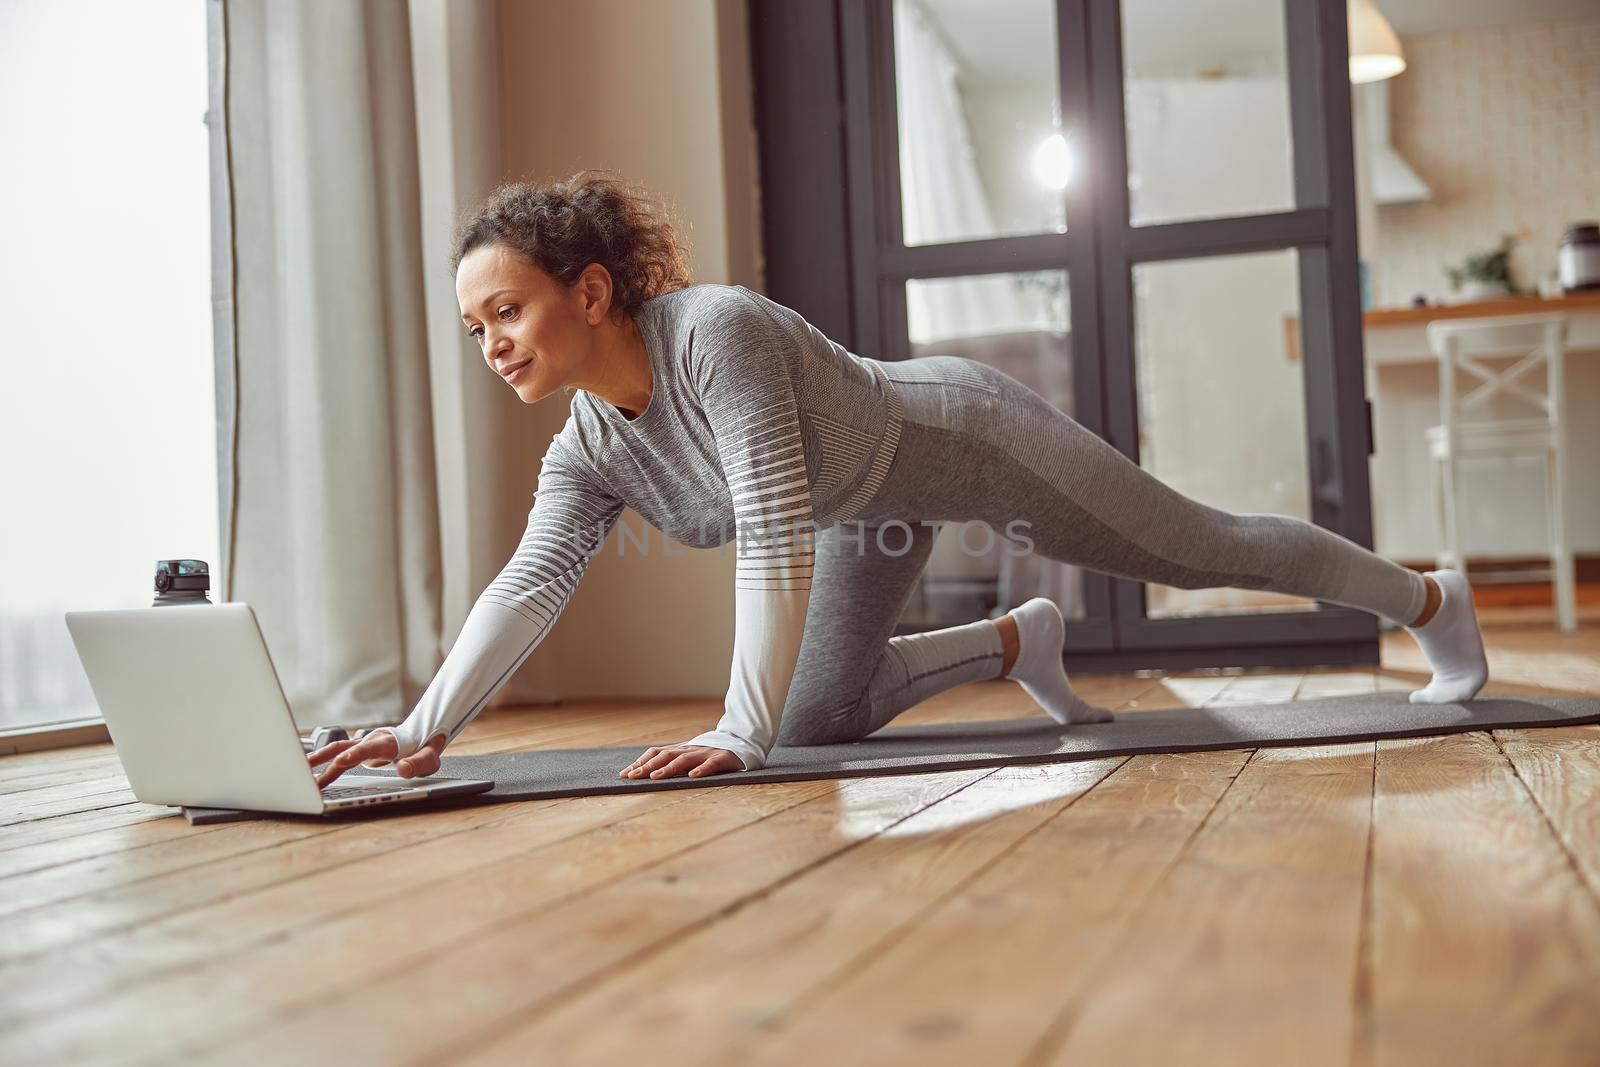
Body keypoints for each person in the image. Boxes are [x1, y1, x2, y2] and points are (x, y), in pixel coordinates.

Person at [309, 170, 1488, 788]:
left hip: (964, 437)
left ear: (593, 291)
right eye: (476, 330)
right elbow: (530, 581)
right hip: (869, 505)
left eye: (505, 310)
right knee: (818, 713)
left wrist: (737, 731)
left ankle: (1432, 601)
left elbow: (774, 528)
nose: (494, 343)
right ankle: (1018, 641)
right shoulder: (587, 446)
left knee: (1198, 546)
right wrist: (422, 726)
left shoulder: (715, 334)